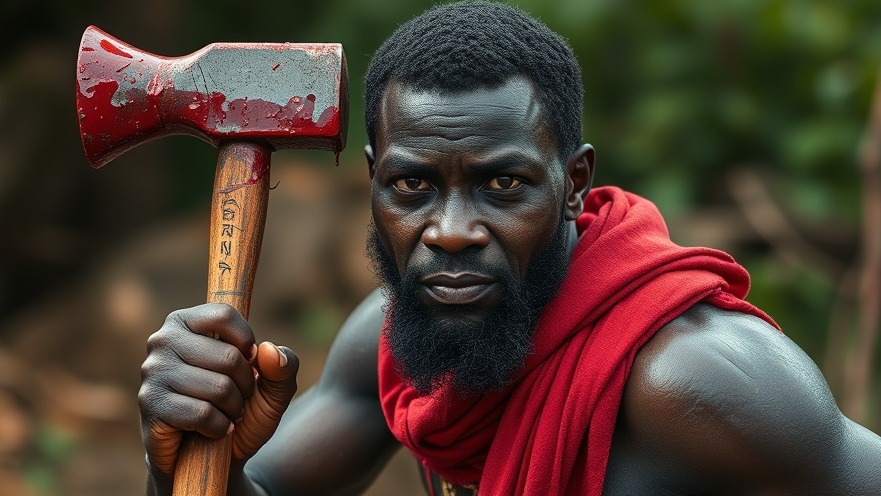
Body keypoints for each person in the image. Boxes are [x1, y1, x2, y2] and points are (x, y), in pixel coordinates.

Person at [138, 2, 881, 495]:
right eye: (412, 186)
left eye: (501, 184)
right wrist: (184, 445)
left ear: (572, 184)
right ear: (374, 181)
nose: (451, 230)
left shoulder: (700, 385)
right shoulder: (389, 339)